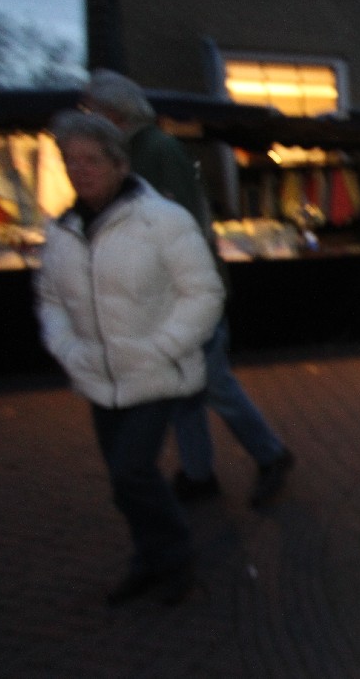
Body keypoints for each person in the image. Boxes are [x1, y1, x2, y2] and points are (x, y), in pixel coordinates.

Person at [35, 110, 225, 605]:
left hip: (156, 373)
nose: (80, 170)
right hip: (99, 375)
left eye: (91, 160)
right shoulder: (64, 231)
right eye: (71, 161)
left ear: (119, 163)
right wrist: (68, 349)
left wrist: (162, 347)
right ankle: (150, 559)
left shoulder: (162, 220)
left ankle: (176, 558)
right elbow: (51, 299)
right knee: (124, 482)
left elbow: (204, 293)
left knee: (131, 472)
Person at [82, 69, 294, 507]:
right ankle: (199, 473)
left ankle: (269, 453)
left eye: (94, 111)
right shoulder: (137, 152)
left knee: (211, 381)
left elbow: (183, 225)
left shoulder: (155, 151)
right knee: (185, 389)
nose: (89, 118)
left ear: (116, 113)